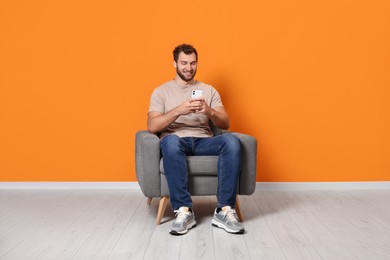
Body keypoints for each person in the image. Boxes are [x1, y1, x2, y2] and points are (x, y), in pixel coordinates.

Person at [147, 43, 244, 235]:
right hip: (176, 141)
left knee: (232, 141)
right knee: (170, 141)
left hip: (203, 141)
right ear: (174, 63)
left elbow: (226, 123)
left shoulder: (208, 90)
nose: (188, 68)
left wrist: (208, 111)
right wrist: (179, 111)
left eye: (192, 63)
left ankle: (224, 210)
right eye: (184, 63)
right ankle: (184, 210)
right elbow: (152, 126)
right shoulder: (161, 91)